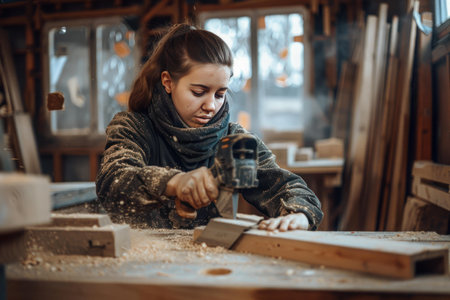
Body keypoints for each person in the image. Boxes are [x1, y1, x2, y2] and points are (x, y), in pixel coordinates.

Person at [96, 23, 323, 231]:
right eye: (198, 92)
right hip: (143, 262)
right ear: (168, 82)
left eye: (220, 94)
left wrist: (300, 214)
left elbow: (285, 187)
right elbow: (113, 181)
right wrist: (174, 183)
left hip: (210, 263)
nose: (211, 105)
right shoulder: (133, 127)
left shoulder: (234, 140)